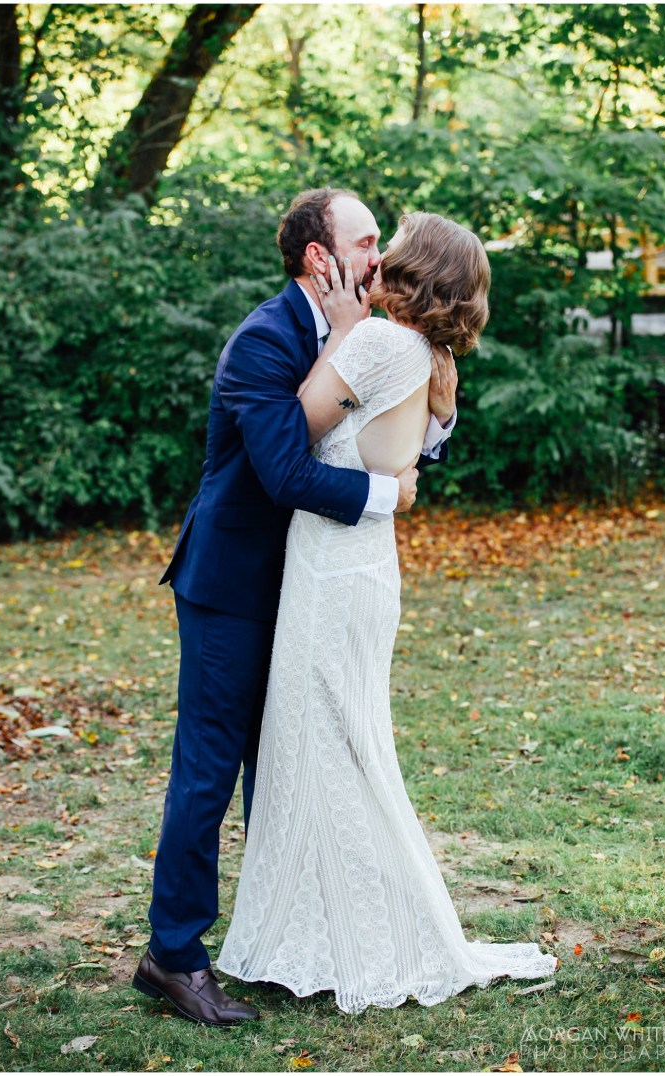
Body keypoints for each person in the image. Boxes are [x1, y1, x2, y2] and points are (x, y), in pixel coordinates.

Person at [216, 212, 559, 1014]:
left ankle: (348, 936)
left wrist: (341, 331)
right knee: (340, 745)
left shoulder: (376, 342)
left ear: (417, 263)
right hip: (366, 567)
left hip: (333, 571)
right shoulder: (430, 355)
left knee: (324, 748)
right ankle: (317, 929)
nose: (383, 249)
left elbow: (293, 430)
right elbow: (408, 453)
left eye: (395, 238)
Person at [133, 189, 459, 1027]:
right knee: (210, 768)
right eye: (366, 241)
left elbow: (386, 427)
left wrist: (432, 416)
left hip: (310, 585)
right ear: (321, 257)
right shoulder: (264, 340)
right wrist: (390, 496)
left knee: (285, 765)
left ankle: (284, 935)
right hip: (233, 585)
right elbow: (283, 474)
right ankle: (173, 955)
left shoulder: (368, 332)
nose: (380, 257)